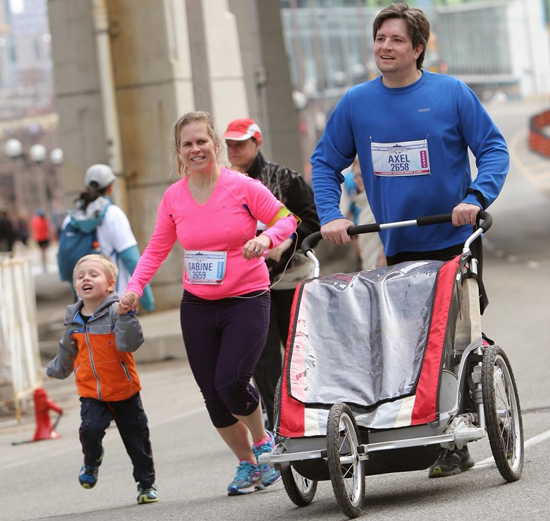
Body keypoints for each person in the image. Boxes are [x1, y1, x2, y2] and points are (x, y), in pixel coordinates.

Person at [310, 3, 509, 479]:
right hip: (397, 243)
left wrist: (476, 195)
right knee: (407, 347)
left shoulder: (451, 93)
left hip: (454, 237)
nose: (385, 47)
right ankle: (414, 426)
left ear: (418, 48)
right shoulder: (357, 103)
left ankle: (463, 429)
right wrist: (331, 215)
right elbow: (324, 164)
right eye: (380, 39)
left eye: (396, 40)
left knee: (456, 340)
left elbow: (493, 149)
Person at [117, 111, 298, 496]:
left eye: (202, 141)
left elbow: (287, 219)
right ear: (179, 152)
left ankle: (263, 441)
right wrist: (133, 288)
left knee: (230, 381)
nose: (195, 149)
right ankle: (247, 465)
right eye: (187, 144)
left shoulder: (242, 186)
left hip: (246, 298)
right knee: (212, 394)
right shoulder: (174, 197)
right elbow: (155, 249)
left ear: (215, 146)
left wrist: (265, 241)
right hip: (198, 304)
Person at [223, 117, 320, 430]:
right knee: (261, 355)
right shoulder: (221, 184)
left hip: (291, 277)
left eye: (240, 143)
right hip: (248, 283)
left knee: (298, 347)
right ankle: (276, 417)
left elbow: (313, 221)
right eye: (229, 144)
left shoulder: (285, 178)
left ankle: (308, 409)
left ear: (257, 142)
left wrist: (288, 239)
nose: (233, 149)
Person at [46, 254, 158, 504]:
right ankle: (91, 460)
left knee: (137, 441)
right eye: (80, 276)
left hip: (124, 390)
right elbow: (67, 350)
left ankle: (146, 484)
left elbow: (130, 343)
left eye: (93, 274)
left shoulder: (117, 312)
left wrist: (127, 316)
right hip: (91, 392)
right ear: (76, 285)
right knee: (90, 430)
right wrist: (57, 369)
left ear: (109, 285)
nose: (86, 278)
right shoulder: (73, 319)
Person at [62, 164, 154, 311]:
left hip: (85, 304)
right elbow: (131, 259)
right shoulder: (113, 215)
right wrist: (147, 299)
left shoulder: (71, 218)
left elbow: (66, 263)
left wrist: (77, 292)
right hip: (116, 301)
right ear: (111, 187)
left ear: (87, 187)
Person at [349, 160, 386, 271]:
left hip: (383, 270)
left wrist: (383, 258)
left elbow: (394, 232)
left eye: (361, 175)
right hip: (371, 269)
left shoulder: (380, 202)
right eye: (355, 176)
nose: (358, 180)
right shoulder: (363, 205)